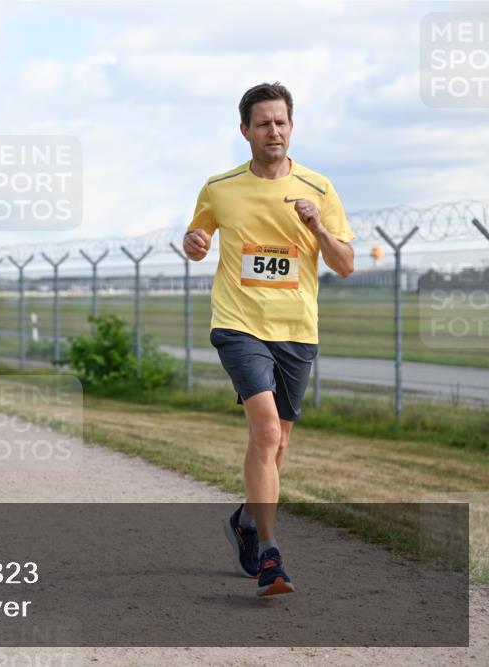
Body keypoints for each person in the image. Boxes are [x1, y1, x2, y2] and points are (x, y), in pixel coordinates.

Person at [184, 82, 355, 597]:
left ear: (291, 127)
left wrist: (319, 227)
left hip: (297, 330)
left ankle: (245, 521)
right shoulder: (220, 187)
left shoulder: (319, 188)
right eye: (263, 123)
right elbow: (197, 242)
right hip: (238, 323)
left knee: (278, 442)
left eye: (280, 122)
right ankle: (271, 556)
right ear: (245, 131)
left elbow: (345, 264)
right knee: (263, 430)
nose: (273, 131)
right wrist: (193, 243)